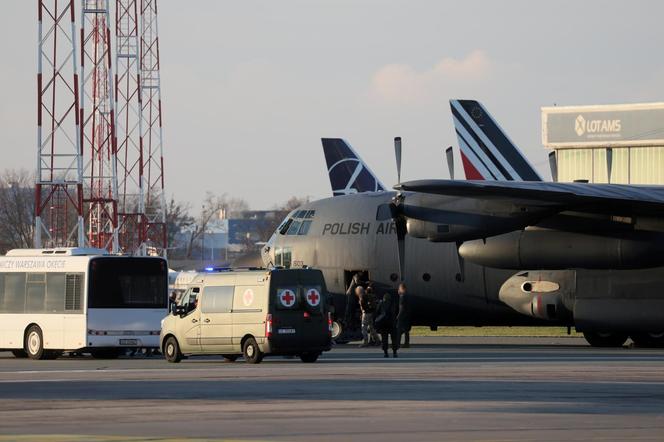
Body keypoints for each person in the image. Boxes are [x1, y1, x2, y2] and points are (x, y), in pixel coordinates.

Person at [375, 292, 399, 358]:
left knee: (384, 339)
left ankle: (386, 353)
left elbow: (377, 312)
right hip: (392, 323)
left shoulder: (381, 303)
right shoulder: (393, 303)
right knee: (394, 339)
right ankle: (395, 353)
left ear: (384, 298)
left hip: (383, 324)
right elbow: (397, 312)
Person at [397, 283, 411, 348]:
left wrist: (398, 316)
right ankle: (406, 343)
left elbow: (402, 307)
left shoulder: (402, 297)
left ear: (402, 289)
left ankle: (397, 343)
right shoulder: (408, 296)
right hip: (407, 315)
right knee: (406, 330)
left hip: (402, 316)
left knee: (399, 330)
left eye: (399, 289)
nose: (398, 290)